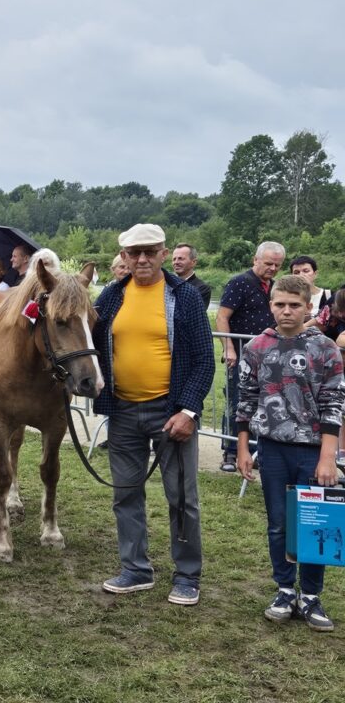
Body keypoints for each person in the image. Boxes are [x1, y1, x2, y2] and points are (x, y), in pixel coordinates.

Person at [91, 223, 214, 607]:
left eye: (150, 251)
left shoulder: (186, 298)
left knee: (182, 497)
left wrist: (189, 410)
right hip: (123, 410)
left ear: (163, 253)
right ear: (124, 257)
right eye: (133, 253)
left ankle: (187, 574)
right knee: (126, 494)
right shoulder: (110, 297)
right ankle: (136, 569)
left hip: (170, 412)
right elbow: (82, 340)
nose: (142, 259)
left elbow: (203, 361)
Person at [236, 275, 344, 632]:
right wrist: (242, 448)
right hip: (272, 449)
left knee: (315, 523)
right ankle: (284, 589)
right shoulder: (256, 347)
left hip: (313, 451)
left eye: (294, 305)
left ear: (308, 307)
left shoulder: (325, 348)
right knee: (279, 523)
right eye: (280, 304)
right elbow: (246, 401)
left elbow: (333, 403)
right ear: (271, 305)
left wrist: (328, 457)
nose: (287, 311)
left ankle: (311, 595)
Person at [216, 241, 285, 471]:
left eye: (277, 265)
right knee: (238, 401)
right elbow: (222, 316)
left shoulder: (275, 286)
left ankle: (254, 451)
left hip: (268, 356)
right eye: (268, 263)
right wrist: (228, 347)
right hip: (242, 354)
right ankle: (231, 452)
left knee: (263, 403)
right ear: (255, 260)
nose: (273, 268)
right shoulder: (240, 283)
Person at [171, 243, 211, 307]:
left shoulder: (202, 288)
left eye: (180, 258)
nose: (176, 262)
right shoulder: (167, 283)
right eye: (174, 259)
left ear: (193, 262)